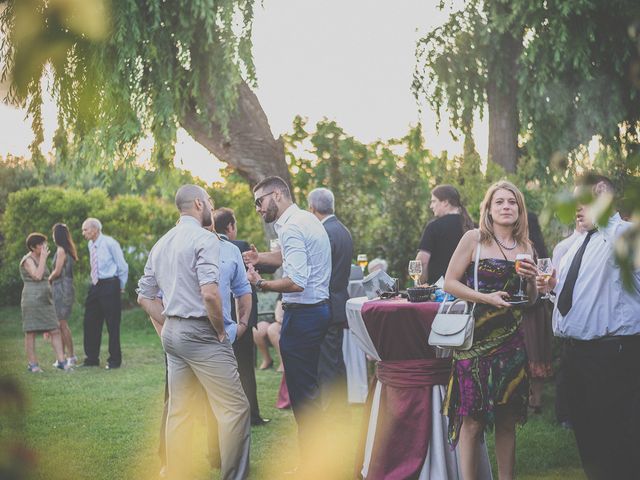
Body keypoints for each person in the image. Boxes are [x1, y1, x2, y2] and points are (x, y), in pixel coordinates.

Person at [137, 184, 250, 480]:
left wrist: (171, 321)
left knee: (180, 412)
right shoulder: (205, 239)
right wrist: (220, 332)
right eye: (209, 201)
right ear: (199, 204)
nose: (211, 206)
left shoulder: (162, 242)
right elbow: (211, 294)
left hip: (173, 335)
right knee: (235, 409)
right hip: (202, 334)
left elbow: (144, 296)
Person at [541, 174, 640, 480]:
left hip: (612, 354)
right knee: (589, 440)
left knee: (618, 442)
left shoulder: (627, 234)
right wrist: (553, 286)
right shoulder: (577, 245)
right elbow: (583, 295)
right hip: (576, 356)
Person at [443, 180, 538, 480]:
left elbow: (530, 301)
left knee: (507, 420)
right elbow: (449, 282)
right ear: (489, 208)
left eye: (512, 202)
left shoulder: (526, 247)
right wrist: (487, 298)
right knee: (473, 420)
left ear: (519, 210)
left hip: (512, 343)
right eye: (500, 202)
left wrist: (535, 281)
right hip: (476, 342)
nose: (506, 206)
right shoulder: (474, 239)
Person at [243, 176, 331, 472]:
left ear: (277, 194)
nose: (257, 208)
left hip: (304, 315)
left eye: (259, 201)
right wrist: (261, 257)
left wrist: (261, 283)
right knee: (308, 392)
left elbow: (296, 282)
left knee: (303, 396)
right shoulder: (302, 219)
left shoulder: (292, 227)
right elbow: (286, 257)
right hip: (315, 312)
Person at [213, 207, 270, 426]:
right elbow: (257, 272)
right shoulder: (240, 247)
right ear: (230, 227)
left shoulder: (207, 246)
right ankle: (251, 415)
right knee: (245, 368)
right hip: (239, 318)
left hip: (218, 317)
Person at [308, 187, 353, 414]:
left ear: (312, 208)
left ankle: (331, 411)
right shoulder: (343, 230)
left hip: (326, 305)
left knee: (327, 364)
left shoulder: (323, 233)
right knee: (335, 361)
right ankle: (340, 408)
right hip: (339, 303)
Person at [80, 218, 128, 369]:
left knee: (112, 323)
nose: (83, 233)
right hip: (95, 285)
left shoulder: (110, 243)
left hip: (110, 284)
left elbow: (122, 266)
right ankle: (91, 358)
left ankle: (114, 360)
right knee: (90, 321)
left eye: (85, 229)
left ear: (95, 230)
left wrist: (120, 286)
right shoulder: (90, 244)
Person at [20, 233, 68, 372]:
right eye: (41, 244)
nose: (44, 246)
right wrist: (43, 259)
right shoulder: (27, 260)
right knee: (31, 332)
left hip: (45, 300)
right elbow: (37, 276)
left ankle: (61, 361)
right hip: (32, 299)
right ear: (32, 247)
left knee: (55, 329)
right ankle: (33, 365)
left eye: (44, 243)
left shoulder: (40, 257)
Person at [521, 212, 553, 414]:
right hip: (540, 308)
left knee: (531, 352)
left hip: (530, 308)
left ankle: (532, 399)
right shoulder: (540, 249)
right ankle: (536, 399)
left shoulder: (526, 248)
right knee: (538, 351)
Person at [416, 184, 475, 285]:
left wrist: (420, 285)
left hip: (439, 293)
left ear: (445, 202)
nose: (431, 206)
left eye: (434, 201)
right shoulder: (473, 226)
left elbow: (421, 261)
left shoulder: (434, 227)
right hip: (467, 293)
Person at [48, 223, 78, 366]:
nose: (52, 236)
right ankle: (64, 356)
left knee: (62, 324)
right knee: (61, 324)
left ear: (57, 235)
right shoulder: (67, 250)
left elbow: (58, 271)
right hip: (64, 288)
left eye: (53, 233)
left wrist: (48, 279)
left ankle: (70, 357)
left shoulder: (60, 250)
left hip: (61, 289)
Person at [254, 294, 285, 372]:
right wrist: (278, 318)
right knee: (258, 329)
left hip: (291, 322)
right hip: (279, 321)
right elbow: (278, 313)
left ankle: (284, 363)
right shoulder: (284, 291)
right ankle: (267, 360)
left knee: (273, 329)